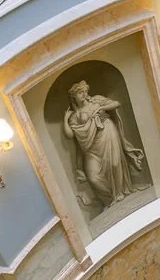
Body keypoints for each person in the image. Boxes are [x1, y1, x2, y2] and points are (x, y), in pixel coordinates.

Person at [63, 80, 148, 209]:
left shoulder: (96, 100)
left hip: (107, 132)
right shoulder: (75, 116)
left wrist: (101, 108)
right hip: (90, 147)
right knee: (93, 177)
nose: (84, 94)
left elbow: (116, 103)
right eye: (80, 92)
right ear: (74, 96)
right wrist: (65, 118)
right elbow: (70, 135)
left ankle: (120, 193)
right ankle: (110, 199)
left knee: (115, 163)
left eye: (85, 91)